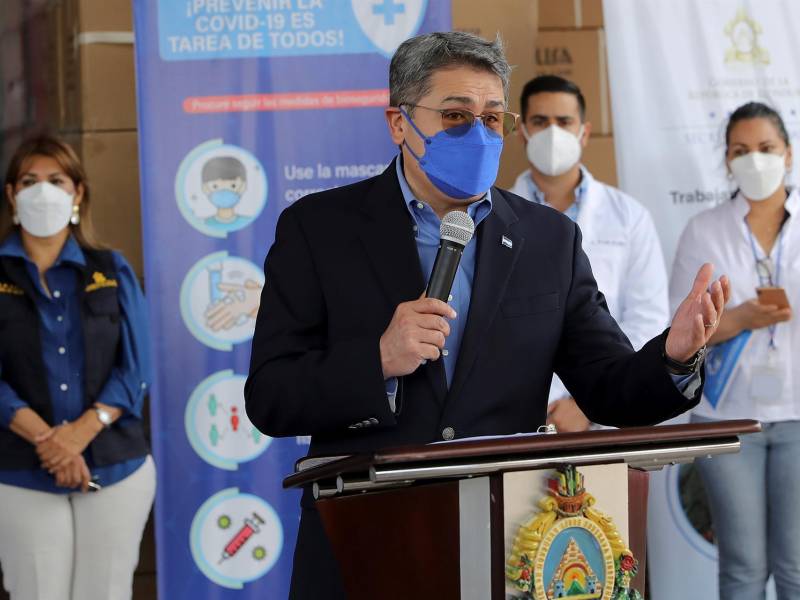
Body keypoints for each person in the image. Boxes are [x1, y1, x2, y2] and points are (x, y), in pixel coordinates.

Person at [245, 32, 728, 600]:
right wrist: (377, 360)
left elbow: (608, 388)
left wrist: (674, 356)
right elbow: (272, 396)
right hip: (366, 538)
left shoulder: (549, 239)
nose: (477, 134)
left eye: (492, 118)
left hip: (509, 539)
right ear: (399, 123)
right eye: (455, 116)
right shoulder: (319, 229)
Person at [0, 135, 155, 600]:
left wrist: (79, 434)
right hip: (19, 469)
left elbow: (137, 367)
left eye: (56, 180)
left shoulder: (110, 269)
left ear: (78, 192)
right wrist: (51, 443)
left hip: (115, 466)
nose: (42, 191)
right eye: (29, 181)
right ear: (12, 194)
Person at [670, 102, 798, 600]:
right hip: (727, 419)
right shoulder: (704, 230)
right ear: (726, 160)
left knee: (796, 568)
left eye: (766, 148)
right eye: (741, 151)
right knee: (743, 567)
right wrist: (739, 319)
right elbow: (678, 333)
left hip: (798, 415)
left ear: (788, 154)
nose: (754, 160)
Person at [510, 75, 670, 432]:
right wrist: (544, 402)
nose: (553, 133)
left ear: (584, 132)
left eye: (564, 122)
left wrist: (586, 403)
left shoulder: (630, 217)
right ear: (522, 132)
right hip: (523, 412)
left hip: (606, 409)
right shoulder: (493, 217)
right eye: (540, 122)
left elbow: (647, 318)